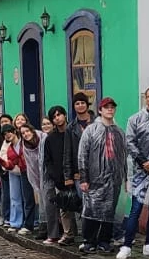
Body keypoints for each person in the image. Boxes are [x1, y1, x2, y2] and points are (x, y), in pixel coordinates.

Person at [117, 86, 149, 259]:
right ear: (146, 98)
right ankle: (127, 245)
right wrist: (143, 161)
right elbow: (130, 142)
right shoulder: (135, 119)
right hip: (139, 171)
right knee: (136, 208)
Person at [78, 98, 126, 253]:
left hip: (114, 178)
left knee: (109, 210)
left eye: (112, 107)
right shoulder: (91, 130)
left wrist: (125, 177)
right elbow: (83, 154)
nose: (110, 110)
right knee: (91, 210)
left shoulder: (119, 132)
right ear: (100, 110)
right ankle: (89, 240)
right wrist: (84, 178)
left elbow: (123, 156)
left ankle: (104, 240)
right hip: (95, 178)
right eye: (106, 107)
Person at [41, 105, 69, 244]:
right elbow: (48, 160)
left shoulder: (72, 133)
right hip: (56, 177)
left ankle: (74, 233)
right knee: (57, 205)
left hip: (74, 175)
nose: (57, 118)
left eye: (59, 115)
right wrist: (55, 176)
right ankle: (59, 234)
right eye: (54, 117)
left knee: (72, 205)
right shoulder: (50, 139)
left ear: (65, 115)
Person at [63, 92, 95, 195]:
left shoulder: (97, 123)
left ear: (87, 104)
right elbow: (67, 152)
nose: (80, 105)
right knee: (83, 202)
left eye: (82, 102)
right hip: (79, 173)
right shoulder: (70, 128)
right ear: (73, 106)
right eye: (77, 103)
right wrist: (68, 177)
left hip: (97, 171)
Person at [0, 126, 28, 232]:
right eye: (5, 134)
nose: (8, 135)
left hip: (25, 171)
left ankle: (30, 221)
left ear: (14, 132)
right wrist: (1, 162)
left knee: (28, 197)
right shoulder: (7, 146)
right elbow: (6, 160)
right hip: (13, 171)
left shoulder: (23, 142)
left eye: (9, 132)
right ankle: (16, 222)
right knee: (15, 197)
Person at [20, 124, 42, 234]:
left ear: (32, 131)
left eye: (27, 131)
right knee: (38, 202)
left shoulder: (42, 138)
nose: (25, 134)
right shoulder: (26, 146)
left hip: (49, 174)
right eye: (23, 133)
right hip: (34, 174)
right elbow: (31, 165)